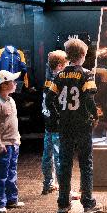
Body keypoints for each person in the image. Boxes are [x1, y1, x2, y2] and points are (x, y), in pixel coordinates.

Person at [45, 38, 103, 213]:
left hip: (65, 125)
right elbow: (88, 99)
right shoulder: (87, 74)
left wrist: (57, 116)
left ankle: (63, 203)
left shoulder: (59, 76)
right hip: (82, 125)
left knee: (64, 164)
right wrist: (94, 115)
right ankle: (87, 203)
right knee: (86, 164)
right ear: (83, 55)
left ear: (68, 56)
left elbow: (49, 100)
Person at [0, 70, 25, 213]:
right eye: (12, 81)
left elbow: (13, 123)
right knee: (0, 174)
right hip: (2, 145)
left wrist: (17, 140)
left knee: (11, 172)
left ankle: (11, 199)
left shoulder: (11, 100)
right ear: (3, 85)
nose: (15, 84)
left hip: (13, 143)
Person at [41, 50, 67, 194]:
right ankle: (63, 187)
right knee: (59, 156)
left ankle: (48, 183)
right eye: (66, 64)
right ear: (59, 65)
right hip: (57, 123)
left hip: (48, 122)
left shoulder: (47, 81)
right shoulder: (59, 82)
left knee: (47, 155)